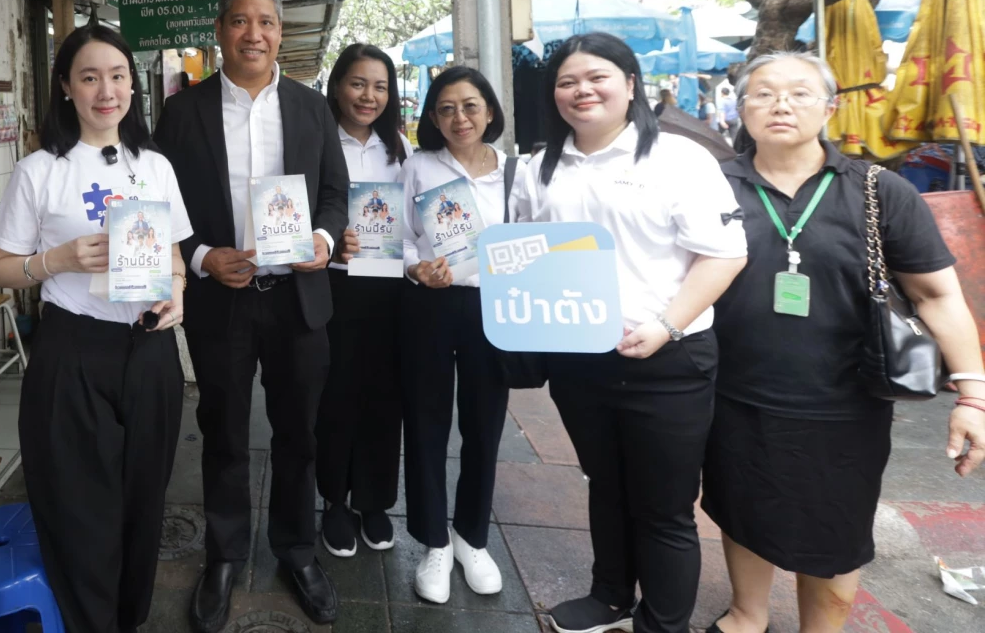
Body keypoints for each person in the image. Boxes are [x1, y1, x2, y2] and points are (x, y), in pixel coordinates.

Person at [704, 52, 985, 633]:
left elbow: (937, 295)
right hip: (733, 392)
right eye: (763, 93)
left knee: (837, 526)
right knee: (742, 505)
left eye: (801, 93)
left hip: (847, 401)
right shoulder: (712, 187)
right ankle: (746, 615)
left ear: (831, 108)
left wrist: (973, 395)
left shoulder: (881, 191)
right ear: (742, 107)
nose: (781, 104)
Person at [510, 33, 747, 633]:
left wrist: (666, 326)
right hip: (578, 357)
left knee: (664, 507)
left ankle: (662, 624)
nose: (581, 90)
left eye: (597, 77)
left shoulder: (678, 158)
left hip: (669, 359)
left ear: (631, 84)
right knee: (605, 481)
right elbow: (526, 252)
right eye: (567, 82)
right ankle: (609, 595)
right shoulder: (538, 168)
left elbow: (724, 255)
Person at [154, 0, 348, 631]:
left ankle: (297, 550)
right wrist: (204, 256)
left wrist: (320, 239)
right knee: (224, 431)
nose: (254, 34)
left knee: (300, 432)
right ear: (219, 31)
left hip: (297, 298)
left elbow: (334, 194)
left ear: (281, 34)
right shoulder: (183, 113)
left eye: (266, 22)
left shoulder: (312, 107)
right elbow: (163, 206)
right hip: (223, 302)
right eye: (241, 21)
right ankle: (225, 553)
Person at [0, 23, 191, 633]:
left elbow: (176, 258)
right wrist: (59, 259)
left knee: (142, 502)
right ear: (66, 89)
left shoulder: (154, 166)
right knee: (81, 509)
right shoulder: (39, 171)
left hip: (151, 350)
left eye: (119, 75)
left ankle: (128, 619)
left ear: (133, 85)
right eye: (90, 77)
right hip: (73, 353)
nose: (108, 90)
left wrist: (178, 294)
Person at [398, 65, 511, 603]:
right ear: (432, 118)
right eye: (446, 108)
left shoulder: (516, 173)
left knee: (485, 426)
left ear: (490, 110)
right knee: (426, 422)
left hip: (494, 311)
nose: (459, 117)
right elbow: (396, 240)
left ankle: (472, 537)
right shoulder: (418, 166)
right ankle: (434, 541)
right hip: (433, 307)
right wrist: (417, 267)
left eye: (470, 106)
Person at [315, 43, 411, 559]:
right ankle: (334, 500)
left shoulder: (399, 148)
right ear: (336, 87)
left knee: (383, 397)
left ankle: (373, 501)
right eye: (358, 83)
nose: (368, 96)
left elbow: (413, 218)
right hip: (332, 286)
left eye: (379, 86)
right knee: (335, 395)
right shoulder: (315, 142)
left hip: (388, 288)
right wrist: (331, 236)